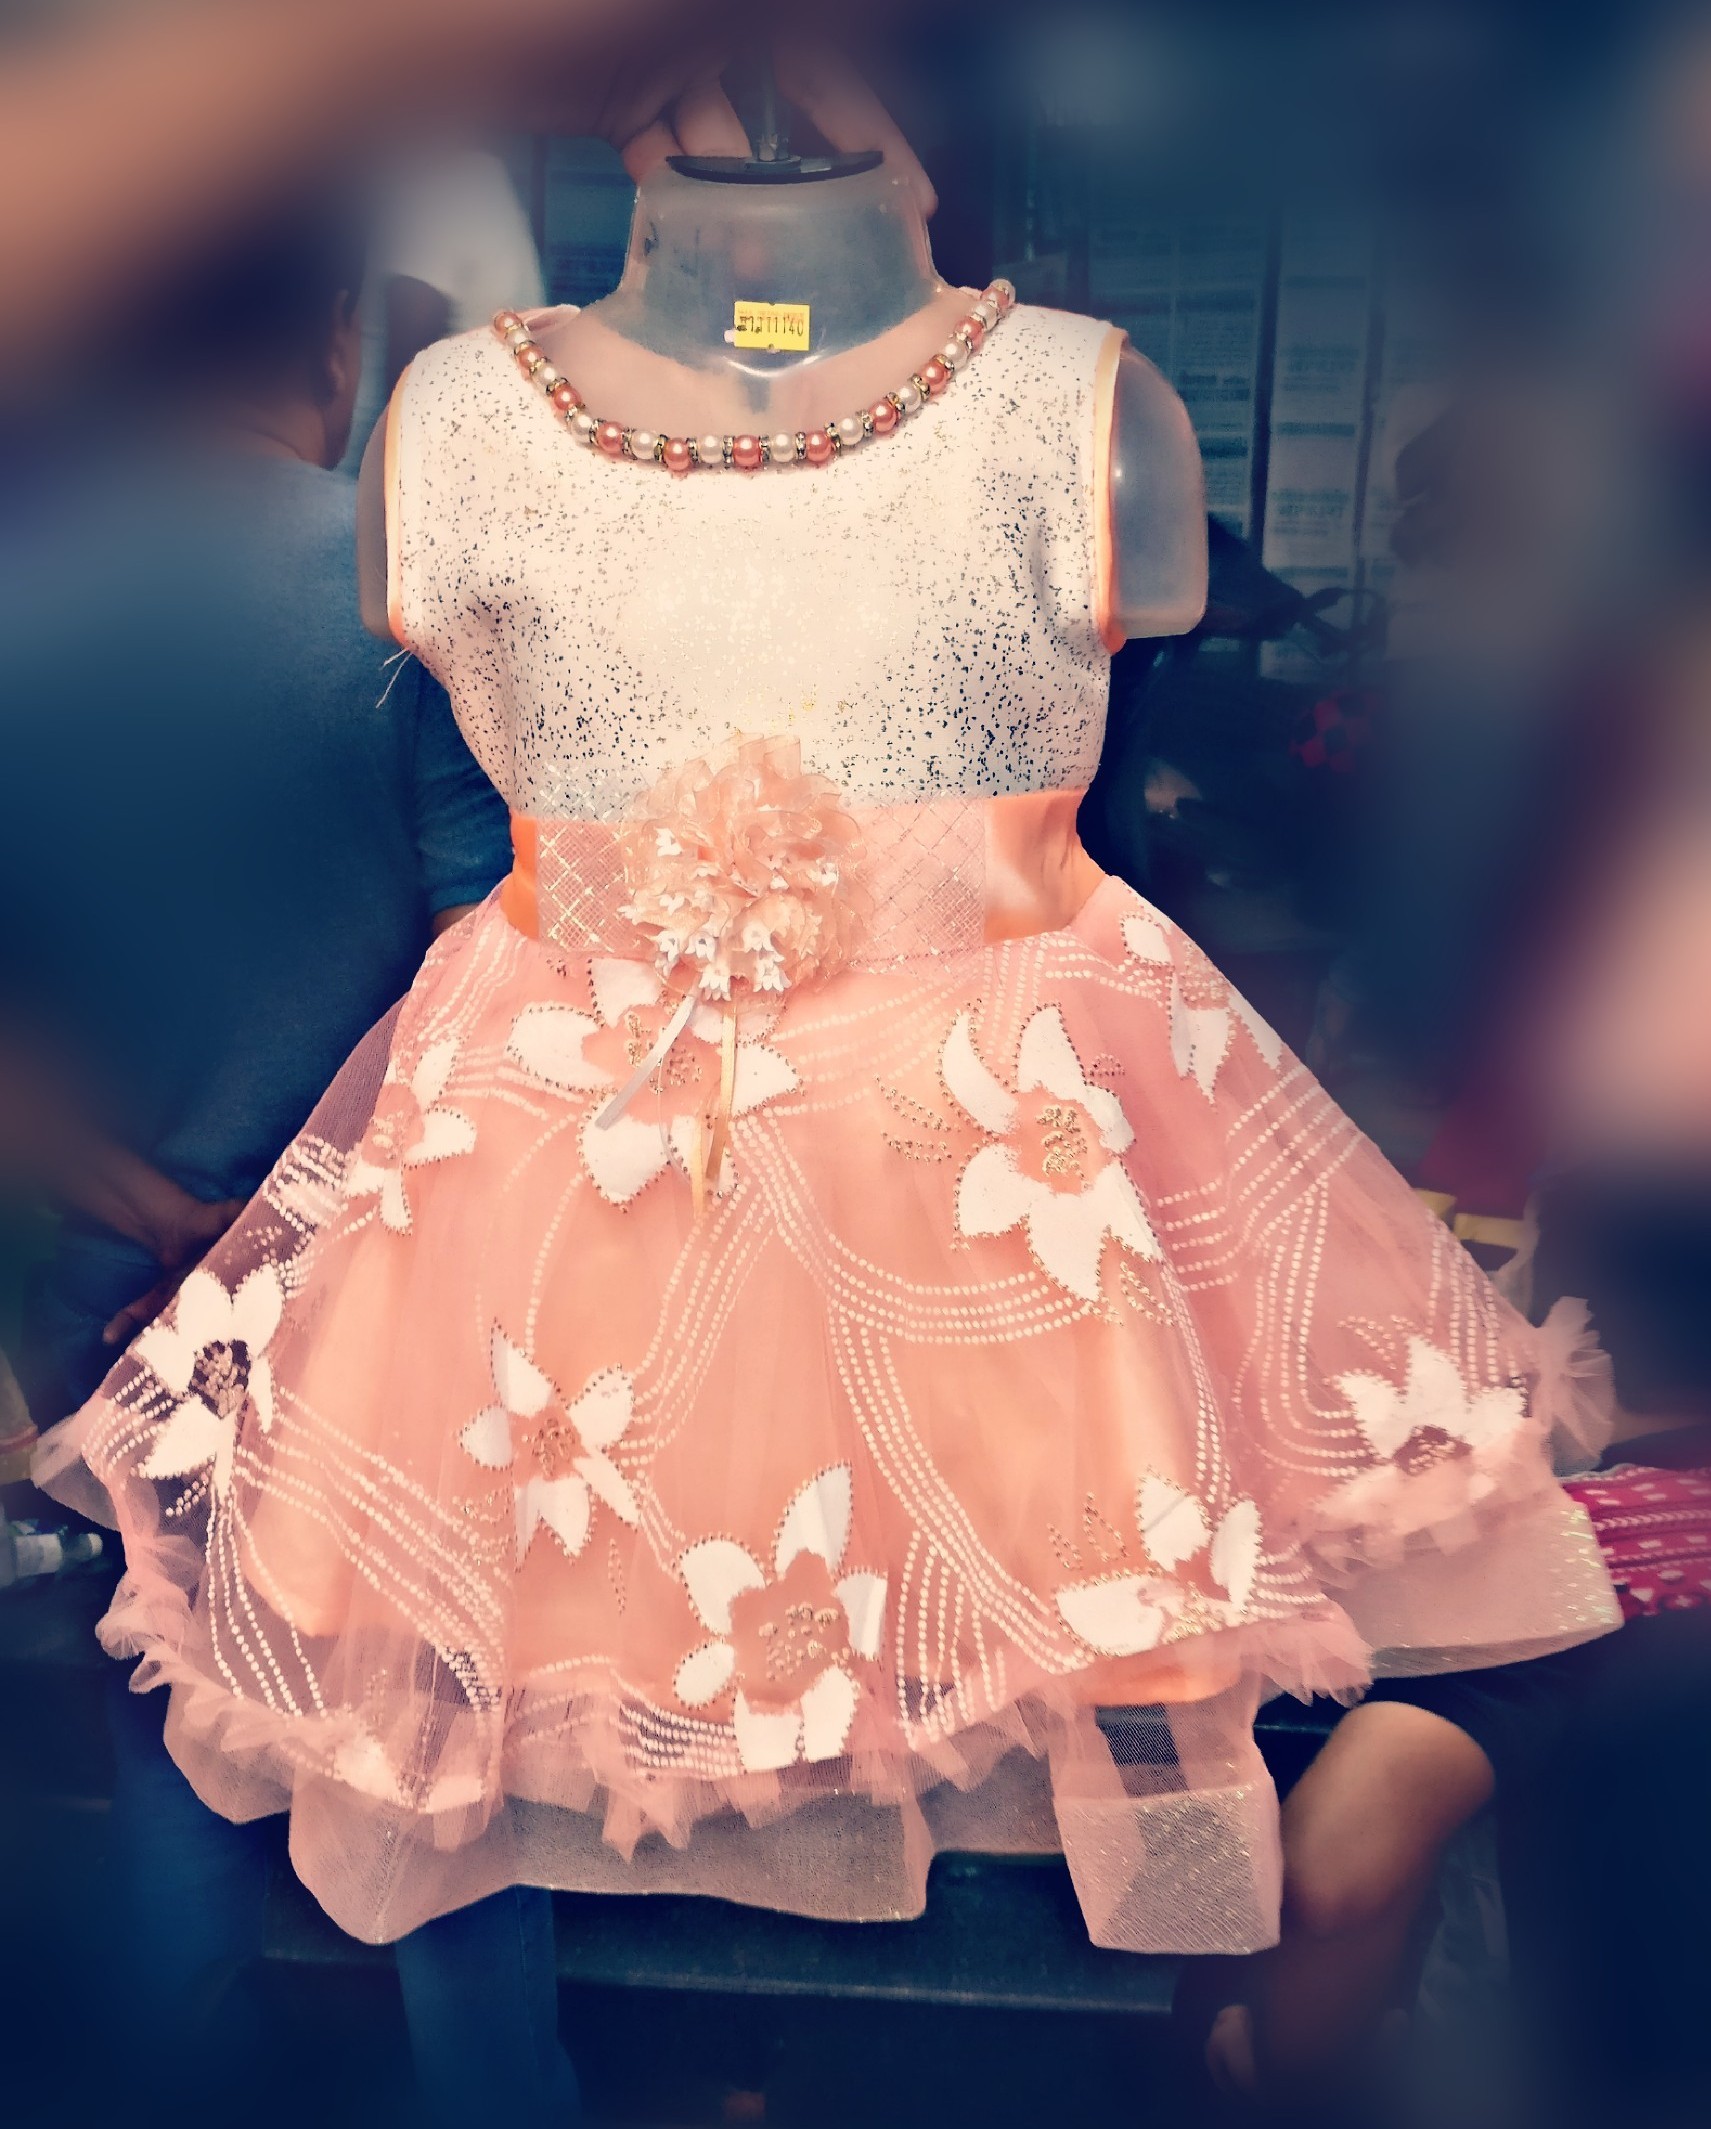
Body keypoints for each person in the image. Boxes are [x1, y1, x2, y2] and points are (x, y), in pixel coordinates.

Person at [36, 87, 1615, 1978]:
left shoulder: (1080, 399)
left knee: (1142, 1650)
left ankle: (1202, 2026)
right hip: (582, 1155)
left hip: (1009, 1147)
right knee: (544, 1657)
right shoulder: (454, 423)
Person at [0, 194, 584, 2126]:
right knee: (434, 1754)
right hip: (392, 1290)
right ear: (336, 337)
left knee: (168, 1716)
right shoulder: (410, 606)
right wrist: (283, 1243)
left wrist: (171, 1228)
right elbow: (490, 991)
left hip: (104, 1290)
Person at [341, 144, 547, 473]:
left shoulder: (439, 196)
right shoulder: (485, 191)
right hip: (460, 469)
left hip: (383, 482)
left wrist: (380, 491)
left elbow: (407, 384)